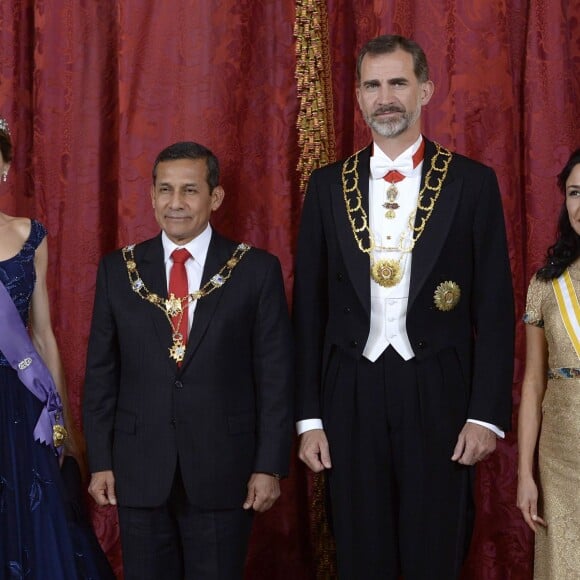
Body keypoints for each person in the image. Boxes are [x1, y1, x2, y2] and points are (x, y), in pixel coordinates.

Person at [293, 35, 514, 579]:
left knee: (434, 549)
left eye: (397, 83)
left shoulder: (472, 183)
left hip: (439, 388)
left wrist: (485, 414)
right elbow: (308, 314)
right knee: (360, 550)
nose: (385, 97)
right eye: (372, 85)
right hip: (350, 390)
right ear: (359, 97)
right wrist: (309, 418)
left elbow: (496, 309)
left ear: (426, 90)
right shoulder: (326, 187)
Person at [83, 141, 293, 580]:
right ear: (153, 195)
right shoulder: (118, 271)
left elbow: (275, 378)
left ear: (215, 197)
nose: (175, 203)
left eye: (190, 190)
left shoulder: (255, 270)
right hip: (139, 470)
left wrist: (269, 464)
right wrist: (100, 460)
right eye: (165, 190)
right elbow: (102, 375)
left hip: (225, 470)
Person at [0, 118, 114, 579]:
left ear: (5, 167)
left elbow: (43, 334)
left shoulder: (32, 236)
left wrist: (62, 420)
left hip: (21, 402)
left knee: (36, 519)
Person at [517, 149, 580, 578]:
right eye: (575, 193)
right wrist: (525, 473)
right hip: (560, 454)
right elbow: (533, 383)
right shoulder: (545, 285)